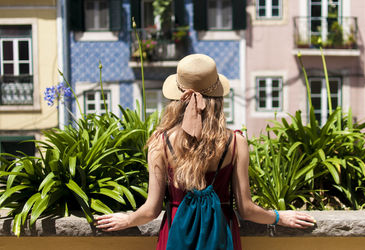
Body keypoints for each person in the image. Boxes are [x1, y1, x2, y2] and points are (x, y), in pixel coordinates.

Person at [95, 54, 316, 249]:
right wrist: (279, 217)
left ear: (177, 98)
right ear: (218, 99)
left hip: (175, 234)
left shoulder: (159, 142)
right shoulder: (235, 142)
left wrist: (126, 220)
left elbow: (151, 211)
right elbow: (247, 209)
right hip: (221, 235)